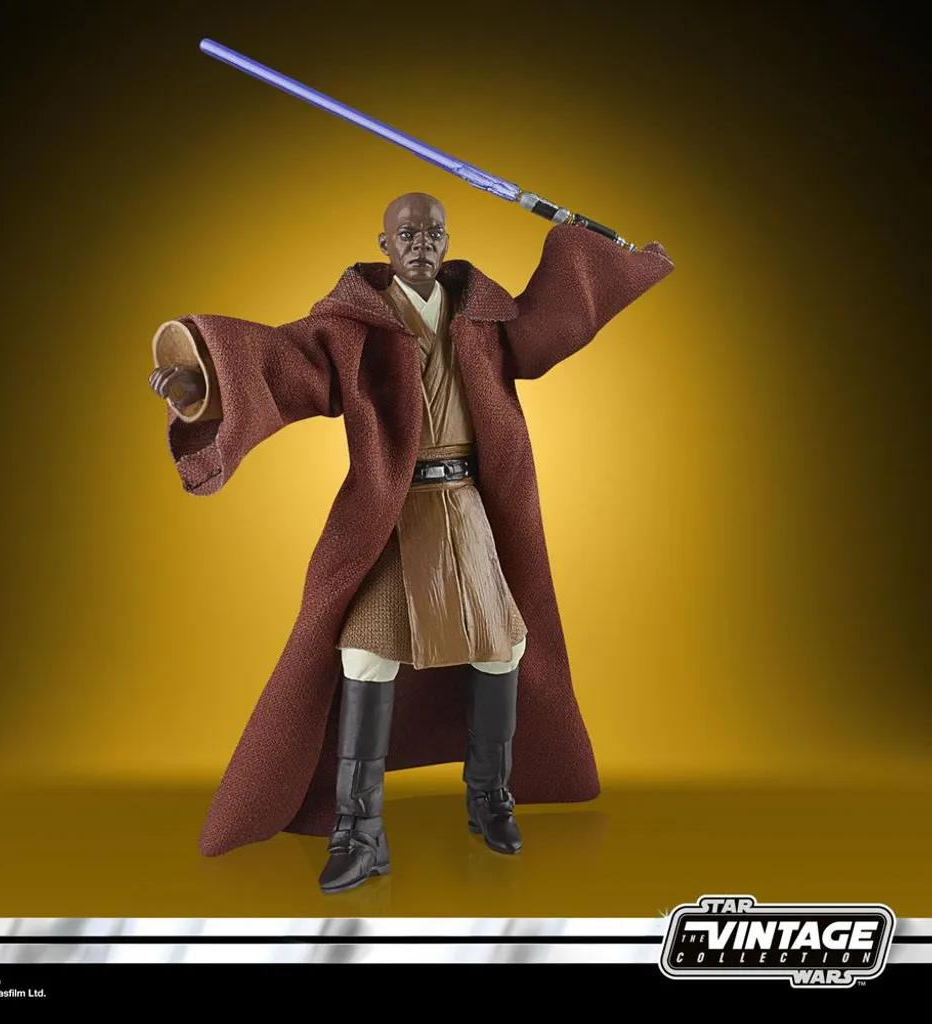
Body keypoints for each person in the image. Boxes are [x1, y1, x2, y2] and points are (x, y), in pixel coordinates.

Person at [148, 193, 673, 893]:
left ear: (446, 241)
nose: (421, 243)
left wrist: (596, 247)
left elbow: (553, 322)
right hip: (394, 518)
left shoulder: (482, 317)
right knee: (365, 655)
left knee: (501, 648)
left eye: (432, 233)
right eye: (407, 233)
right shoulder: (352, 327)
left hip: (467, 509)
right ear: (385, 245)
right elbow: (281, 363)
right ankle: (358, 832)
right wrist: (201, 381)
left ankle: (490, 800)